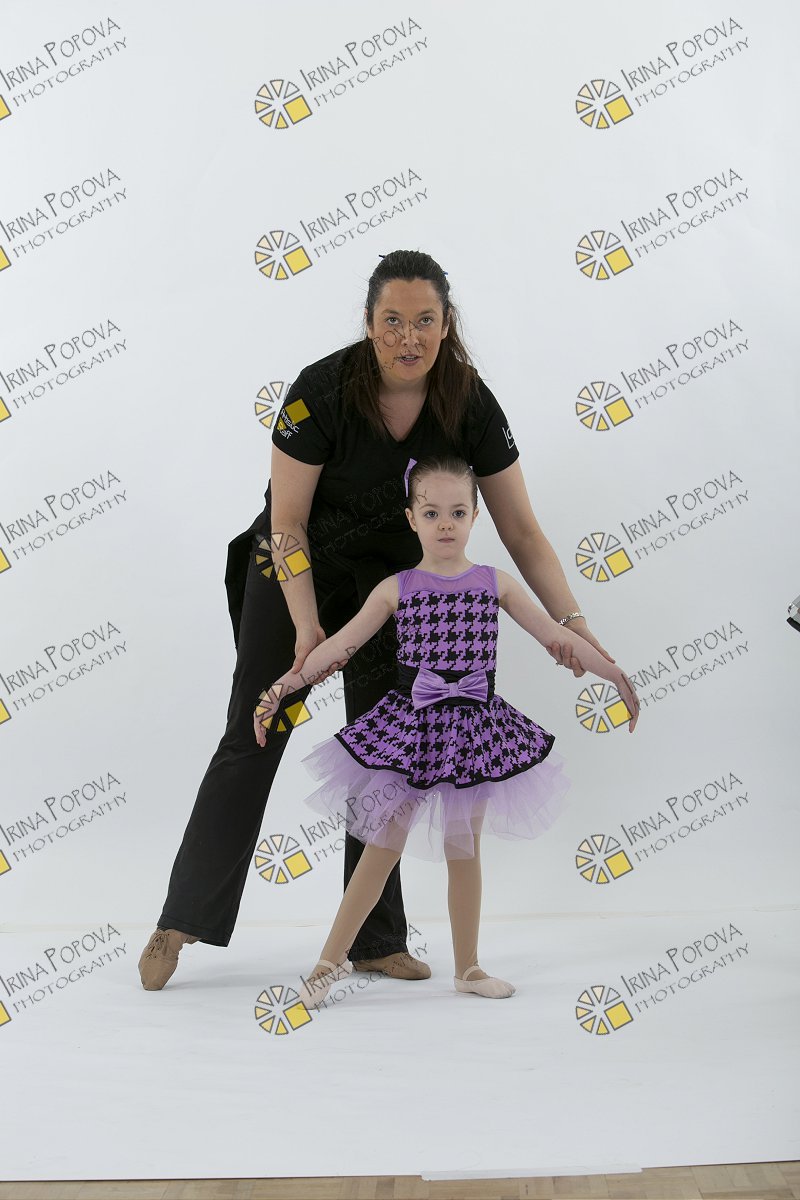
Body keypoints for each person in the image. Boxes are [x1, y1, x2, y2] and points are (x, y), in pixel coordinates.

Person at [138, 248, 624, 991]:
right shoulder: (319, 391)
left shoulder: (469, 401)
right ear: (368, 323)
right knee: (256, 729)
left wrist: (575, 622)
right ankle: (180, 920)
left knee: (386, 752)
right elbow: (288, 524)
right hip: (296, 566)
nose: (408, 337)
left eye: (424, 321)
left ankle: (373, 940)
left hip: (392, 584)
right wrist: (306, 627)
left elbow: (522, 531)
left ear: (446, 324)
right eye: (392, 320)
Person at [253, 455, 639, 1008]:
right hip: (413, 730)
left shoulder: (495, 583)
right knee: (381, 847)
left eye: (457, 512)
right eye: (431, 512)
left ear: (475, 515)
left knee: (465, 850)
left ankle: (468, 967)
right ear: (411, 517)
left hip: (473, 731)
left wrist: (612, 672)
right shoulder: (397, 588)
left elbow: (554, 637)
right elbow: (339, 647)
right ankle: (326, 966)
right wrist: (284, 686)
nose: (445, 524)